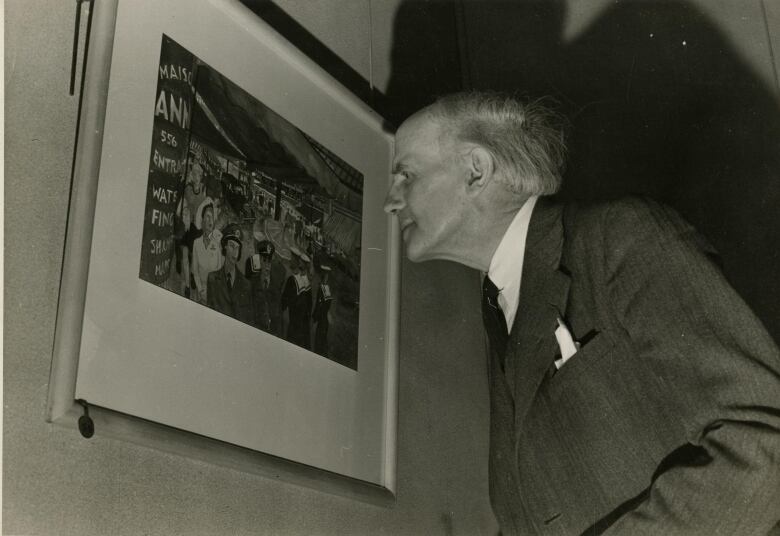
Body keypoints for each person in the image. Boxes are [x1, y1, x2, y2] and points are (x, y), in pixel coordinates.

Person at [383, 91, 780, 535]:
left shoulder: (617, 238)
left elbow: (765, 438)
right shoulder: (498, 308)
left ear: (476, 170)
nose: (391, 200)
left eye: (406, 174)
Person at [207, 223, 252, 324]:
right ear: (225, 246)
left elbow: (249, 321)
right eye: (232, 246)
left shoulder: (246, 285)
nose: (235, 253)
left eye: (237, 248)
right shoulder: (212, 279)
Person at [245, 239, 287, 336]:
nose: (267, 266)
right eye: (264, 260)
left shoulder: (276, 286)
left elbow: (279, 317)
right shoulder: (252, 283)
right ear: (259, 259)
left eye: (269, 261)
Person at [191, 203, 223, 304]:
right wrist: (201, 290)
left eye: (212, 217)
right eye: (207, 216)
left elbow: (220, 273)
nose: (210, 220)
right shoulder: (196, 242)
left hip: (214, 293)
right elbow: (195, 271)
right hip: (200, 292)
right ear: (202, 220)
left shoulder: (218, 241)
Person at [281, 247, 312, 349]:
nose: (290, 260)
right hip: (302, 329)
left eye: (292, 259)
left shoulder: (292, 280)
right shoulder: (304, 281)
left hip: (294, 328)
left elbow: (283, 303)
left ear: (296, 261)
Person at [311, 264, 333, 356]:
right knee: (323, 340)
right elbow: (327, 305)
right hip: (325, 320)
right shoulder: (328, 288)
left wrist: (314, 319)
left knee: (319, 342)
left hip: (321, 320)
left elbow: (319, 306)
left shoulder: (322, 288)